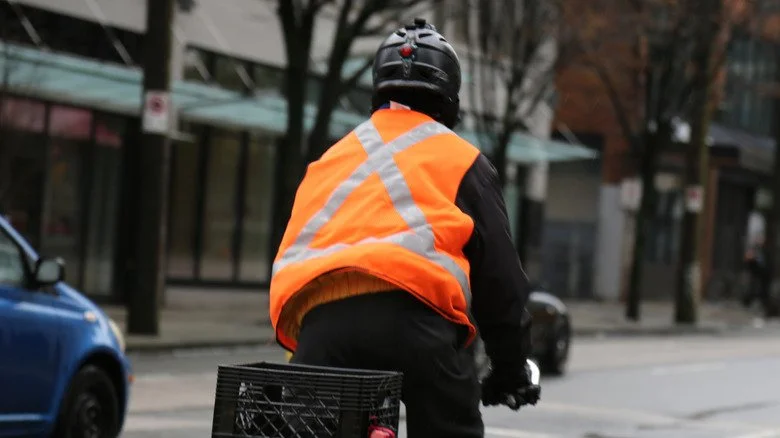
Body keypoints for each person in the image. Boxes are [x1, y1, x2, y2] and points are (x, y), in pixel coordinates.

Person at [269, 17, 539, 437]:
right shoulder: (464, 161)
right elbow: (500, 282)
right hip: (418, 328)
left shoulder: (331, 158)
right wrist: (510, 368)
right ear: (450, 100)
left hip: (322, 329)